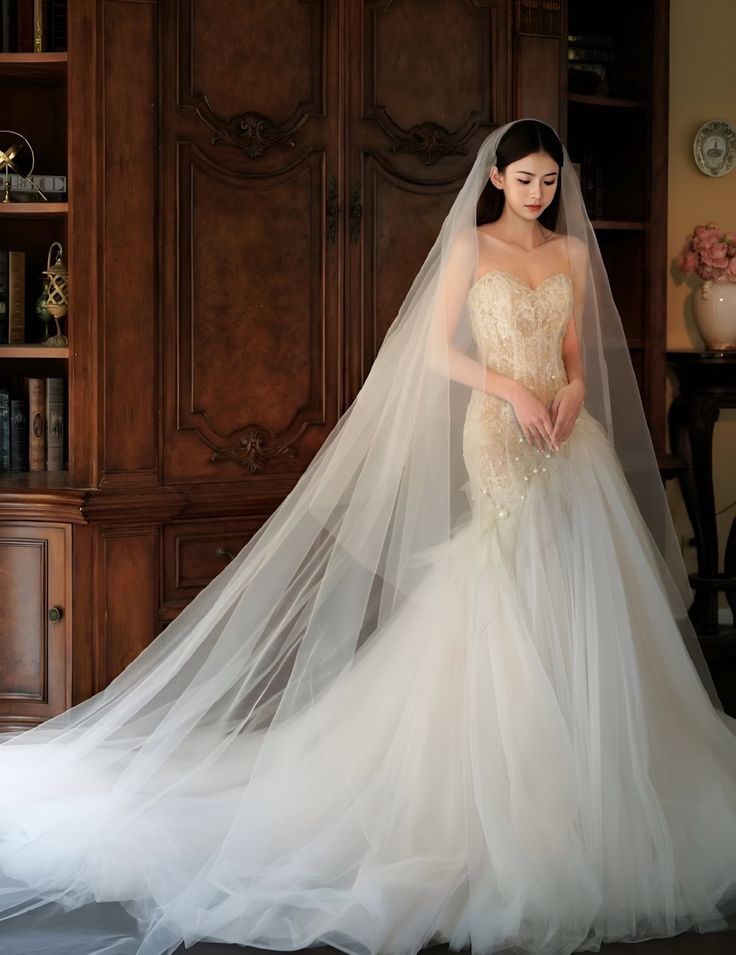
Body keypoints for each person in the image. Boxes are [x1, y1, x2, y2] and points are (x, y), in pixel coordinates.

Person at [1, 118, 735, 955]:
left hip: (570, 443)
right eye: (525, 179)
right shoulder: (471, 250)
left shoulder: (569, 255)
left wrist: (569, 392)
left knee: (577, 594)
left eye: (549, 180)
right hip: (500, 434)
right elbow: (433, 353)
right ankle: (504, 780)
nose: (539, 193)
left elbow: (574, 352)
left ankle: (588, 773)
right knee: (501, 584)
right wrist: (513, 394)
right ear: (496, 178)